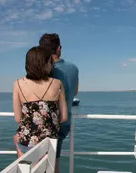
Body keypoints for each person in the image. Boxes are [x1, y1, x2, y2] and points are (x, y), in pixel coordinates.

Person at [12, 46, 68, 158]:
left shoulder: (18, 84)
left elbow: (18, 119)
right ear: (45, 63)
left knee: (16, 140)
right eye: (50, 61)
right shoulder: (57, 84)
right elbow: (64, 118)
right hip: (49, 144)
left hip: (27, 143)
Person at [39, 33, 79, 173]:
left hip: (44, 122)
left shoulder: (41, 69)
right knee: (53, 161)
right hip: (64, 122)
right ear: (58, 48)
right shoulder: (73, 68)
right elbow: (74, 92)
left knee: (39, 161)